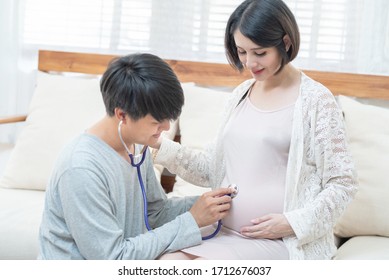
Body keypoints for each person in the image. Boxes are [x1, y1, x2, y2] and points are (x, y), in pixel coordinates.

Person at [153, 0, 358, 260]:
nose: (250, 63)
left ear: (285, 43)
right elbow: (213, 168)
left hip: (282, 241)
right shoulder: (240, 94)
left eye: (260, 53)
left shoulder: (317, 101)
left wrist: (291, 223)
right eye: (241, 52)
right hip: (222, 232)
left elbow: (343, 183)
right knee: (164, 262)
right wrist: (160, 145)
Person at [38, 53, 235, 260]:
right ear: (122, 115)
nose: (167, 127)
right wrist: (192, 220)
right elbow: (113, 258)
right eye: (157, 121)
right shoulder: (80, 169)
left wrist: (209, 204)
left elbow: (155, 213)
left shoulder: (137, 147)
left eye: (169, 118)